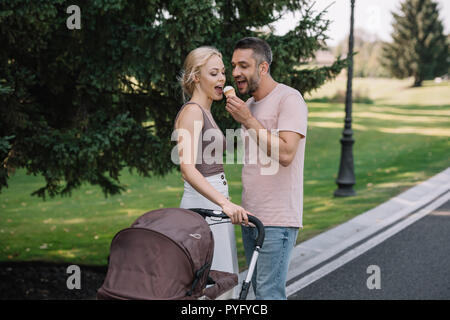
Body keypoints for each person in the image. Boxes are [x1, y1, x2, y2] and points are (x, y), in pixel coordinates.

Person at [225, 37, 308, 300]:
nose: (235, 72)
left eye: (243, 65)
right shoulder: (248, 106)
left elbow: (286, 153)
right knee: (260, 293)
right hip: (251, 217)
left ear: (262, 68)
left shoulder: (289, 99)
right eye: (233, 65)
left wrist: (248, 121)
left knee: (269, 294)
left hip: (278, 219)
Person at [173, 46, 249, 299]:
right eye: (214, 73)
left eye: (223, 73)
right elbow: (187, 169)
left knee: (221, 284)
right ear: (196, 77)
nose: (222, 79)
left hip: (215, 204)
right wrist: (224, 203)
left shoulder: (205, 111)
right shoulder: (193, 112)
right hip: (204, 206)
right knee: (211, 286)